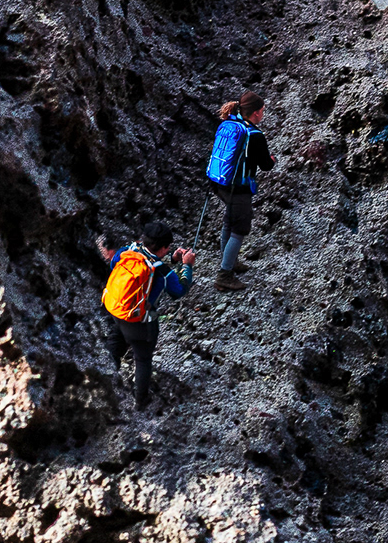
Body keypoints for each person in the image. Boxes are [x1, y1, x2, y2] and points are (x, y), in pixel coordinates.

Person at [97, 236, 195, 405]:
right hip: (140, 321)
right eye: (168, 248)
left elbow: (114, 263)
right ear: (163, 247)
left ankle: (104, 387)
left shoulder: (128, 251)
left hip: (117, 311)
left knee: (115, 346)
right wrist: (186, 265)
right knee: (142, 359)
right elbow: (179, 290)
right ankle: (141, 401)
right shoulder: (163, 272)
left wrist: (172, 257)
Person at [205, 95, 274, 272]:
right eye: (263, 111)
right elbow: (266, 165)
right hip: (239, 188)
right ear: (256, 113)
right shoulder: (255, 134)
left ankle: (229, 262)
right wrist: (272, 159)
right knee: (239, 230)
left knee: (229, 221)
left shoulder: (230, 124)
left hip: (220, 184)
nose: (263, 114)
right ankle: (225, 274)